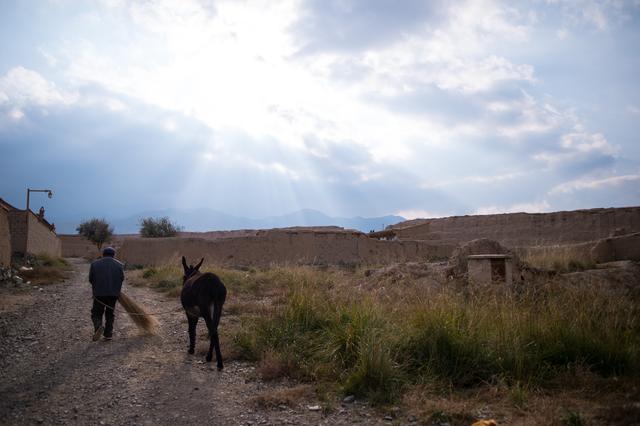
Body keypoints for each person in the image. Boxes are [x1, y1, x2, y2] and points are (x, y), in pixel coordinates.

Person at [89, 247, 124, 341]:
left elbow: (91, 279)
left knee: (96, 313)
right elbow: (122, 278)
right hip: (113, 294)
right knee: (110, 313)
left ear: (103, 254)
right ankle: (108, 334)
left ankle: (98, 327)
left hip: (99, 293)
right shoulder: (119, 265)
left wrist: (96, 287)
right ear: (113, 255)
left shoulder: (95, 264)